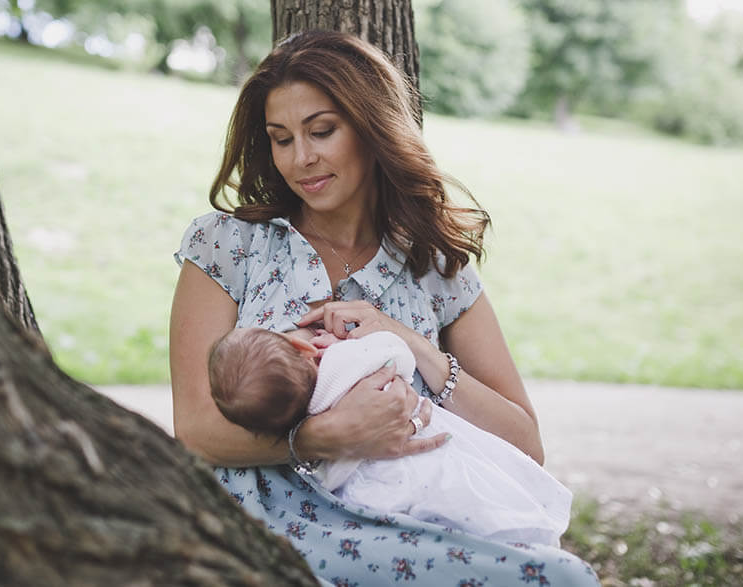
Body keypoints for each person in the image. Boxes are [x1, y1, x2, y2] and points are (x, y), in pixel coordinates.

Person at [170, 29, 599, 586]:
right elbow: (195, 431)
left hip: (403, 526)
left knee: (565, 579)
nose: (301, 159)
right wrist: (326, 437)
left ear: (371, 128)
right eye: (281, 138)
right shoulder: (228, 245)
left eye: (322, 131)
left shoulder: (434, 268)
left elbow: (525, 445)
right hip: (262, 519)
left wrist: (414, 345)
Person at [208, 326, 574, 547]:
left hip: (367, 494)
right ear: (305, 348)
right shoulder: (342, 360)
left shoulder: (302, 413)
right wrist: (349, 340)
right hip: (424, 456)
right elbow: (393, 351)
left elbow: (330, 475)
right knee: (471, 501)